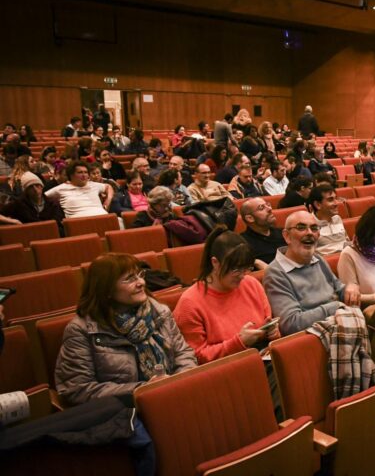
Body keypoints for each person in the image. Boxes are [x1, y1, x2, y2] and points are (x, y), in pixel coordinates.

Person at [55, 253, 197, 406]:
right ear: (107, 289)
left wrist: (179, 382)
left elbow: (183, 353)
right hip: (124, 410)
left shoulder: (159, 312)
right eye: (130, 278)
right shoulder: (82, 330)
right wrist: (143, 390)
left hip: (173, 395)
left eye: (139, 275)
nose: (141, 282)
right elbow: (77, 389)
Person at [174, 228, 278, 364]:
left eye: (246, 268)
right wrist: (238, 342)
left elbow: (267, 322)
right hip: (225, 369)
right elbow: (196, 357)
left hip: (262, 358)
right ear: (215, 263)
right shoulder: (190, 303)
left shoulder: (251, 283)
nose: (242, 275)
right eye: (235, 269)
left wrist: (272, 332)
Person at [263, 210, 360, 335]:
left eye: (314, 228)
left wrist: (350, 287)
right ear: (287, 236)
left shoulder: (318, 259)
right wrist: (334, 308)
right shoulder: (275, 273)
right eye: (301, 227)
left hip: (339, 323)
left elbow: (340, 291)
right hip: (315, 336)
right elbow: (290, 324)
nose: (309, 233)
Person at [45, 160, 114, 218]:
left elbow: (108, 187)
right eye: (80, 172)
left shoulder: (93, 184)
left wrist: (108, 201)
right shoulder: (61, 188)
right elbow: (43, 197)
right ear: (71, 175)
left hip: (103, 218)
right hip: (78, 224)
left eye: (86, 172)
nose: (84, 175)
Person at [0, 171, 64, 228]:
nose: (35, 190)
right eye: (31, 187)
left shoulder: (53, 204)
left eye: (37, 185)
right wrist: (13, 221)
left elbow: (59, 225)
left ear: (42, 186)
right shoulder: (18, 204)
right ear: (26, 191)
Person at [240, 197, 287, 268]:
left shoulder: (283, 233)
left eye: (268, 205)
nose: (269, 209)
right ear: (250, 218)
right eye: (261, 208)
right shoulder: (243, 244)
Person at [308, 183, 349, 255]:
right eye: (330, 200)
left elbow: (346, 240)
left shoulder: (337, 218)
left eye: (336, 198)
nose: (336, 203)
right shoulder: (309, 225)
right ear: (318, 205)